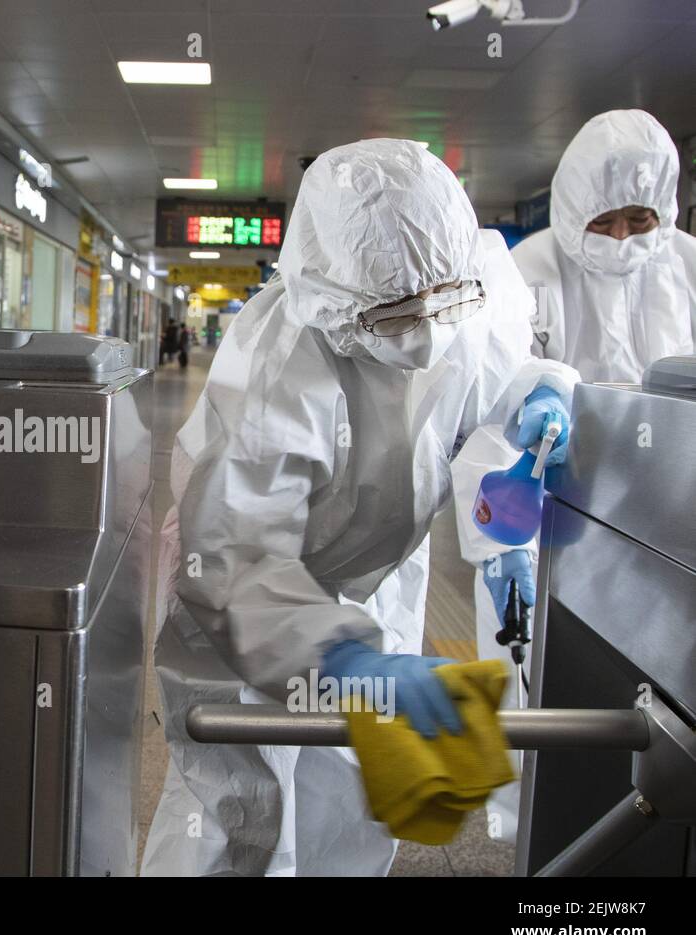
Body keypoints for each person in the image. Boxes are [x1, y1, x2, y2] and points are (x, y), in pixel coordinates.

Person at [141, 139, 577, 877]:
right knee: (242, 816)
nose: (432, 330)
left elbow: (502, 368)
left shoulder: (457, 275)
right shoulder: (277, 368)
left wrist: (541, 397)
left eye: (445, 302)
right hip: (239, 595)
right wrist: (344, 661)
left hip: (371, 581)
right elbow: (236, 562)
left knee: (350, 802)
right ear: (332, 302)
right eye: (398, 313)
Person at [451, 108, 696, 843]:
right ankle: (536, 837)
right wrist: (501, 542)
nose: (623, 241)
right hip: (552, 515)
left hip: (671, 521)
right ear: (573, 208)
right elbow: (491, 419)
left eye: (639, 220)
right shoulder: (529, 273)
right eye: (605, 223)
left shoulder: (688, 265)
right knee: (541, 691)